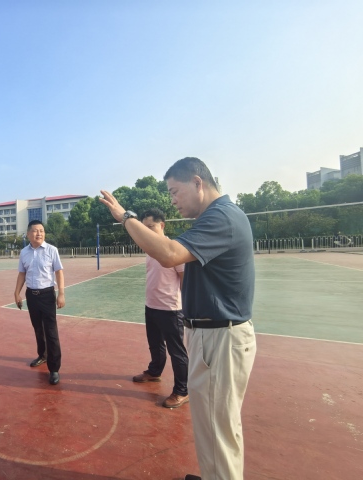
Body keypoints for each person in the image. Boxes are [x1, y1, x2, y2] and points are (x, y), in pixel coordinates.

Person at [100, 157, 256, 480]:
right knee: (213, 425)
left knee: (218, 429)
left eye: (174, 191)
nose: (172, 200)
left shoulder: (222, 217)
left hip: (219, 338)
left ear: (197, 183)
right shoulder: (214, 217)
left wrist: (126, 217)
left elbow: (169, 253)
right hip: (211, 335)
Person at [133, 208, 189, 409]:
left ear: (162, 225)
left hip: (171, 309)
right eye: (144, 228)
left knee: (177, 351)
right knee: (155, 344)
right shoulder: (150, 249)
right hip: (151, 305)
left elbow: (184, 280)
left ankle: (182, 390)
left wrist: (186, 308)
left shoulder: (173, 249)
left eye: (151, 227)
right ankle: (154, 372)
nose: (147, 232)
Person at [14, 220, 65, 385]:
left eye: (42, 231)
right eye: (35, 231)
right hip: (31, 296)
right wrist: (16, 293)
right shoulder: (24, 252)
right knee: (38, 329)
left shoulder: (52, 250)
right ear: (28, 234)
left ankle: (54, 369)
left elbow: (59, 272)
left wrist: (61, 294)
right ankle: (42, 355)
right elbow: (22, 274)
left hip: (47, 295)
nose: (39, 234)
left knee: (51, 332)